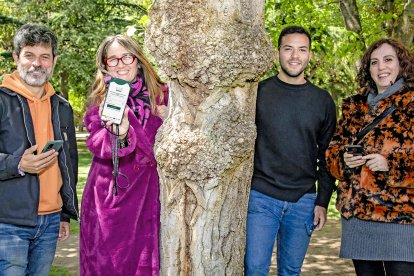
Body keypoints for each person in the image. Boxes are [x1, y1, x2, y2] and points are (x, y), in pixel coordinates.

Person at [244, 25, 337, 276]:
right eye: (288, 49)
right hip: (261, 196)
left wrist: (322, 201)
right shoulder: (257, 93)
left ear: (309, 55)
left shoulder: (322, 101)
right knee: (254, 269)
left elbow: (328, 156)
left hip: (303, 201)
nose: (295, 56)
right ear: (277, 54)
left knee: (290, 271)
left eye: (302, 49)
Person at [80, 35, 168, 275]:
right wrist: (120, 135)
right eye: (113, 60)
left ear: (138, 60)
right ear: (105, 65)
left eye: (126, 57)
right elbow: (97, 143)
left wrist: (170, 119)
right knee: (107, 265)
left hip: (149, 197)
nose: (120, 64)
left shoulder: (163, 95)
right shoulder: (102, 99)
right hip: (111, 196)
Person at [326, 38, 414, 275]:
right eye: (374, 62)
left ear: (401, 64)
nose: (381, 67)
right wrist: (343, 160)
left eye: (388, 60)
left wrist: (391, 165)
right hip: (359, 219)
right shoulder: (354, 107)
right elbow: (332, 155)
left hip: (401, 220)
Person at [0, 23, 79, 275]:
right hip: (8, 222)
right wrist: (18, 164)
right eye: (29, 55)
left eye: (45, 56)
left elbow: (68, 162)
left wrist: (65, 213)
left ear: (54, 60)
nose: (37, 63)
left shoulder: (62, 106)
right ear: (16, 57)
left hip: (51, 221)